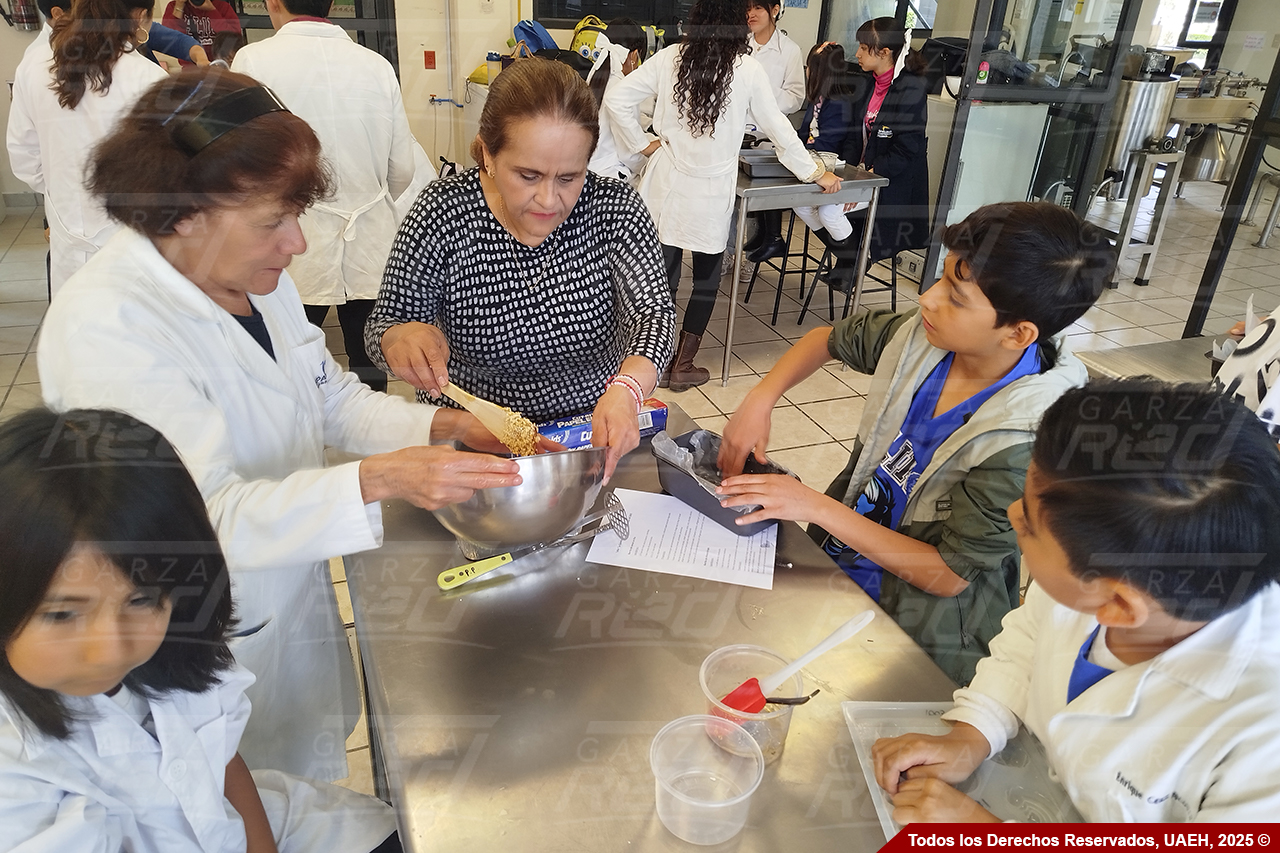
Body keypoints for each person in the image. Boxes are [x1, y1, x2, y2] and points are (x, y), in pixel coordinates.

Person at [38, 68, 526, 782]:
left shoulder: (252, 278)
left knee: (310, 772)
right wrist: (377, 479)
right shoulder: (108, 329)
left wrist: (446, 428)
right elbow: (200, 522)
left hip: (286, 605)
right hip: (204, 644)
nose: (297, 244)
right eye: (274, 221)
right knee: (244, 803)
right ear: (180, 213)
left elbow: (327, 396)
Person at [716, 202, 1116, 685]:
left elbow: (948, 575)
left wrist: (814, 507)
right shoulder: (926, 339)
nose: (928, 298)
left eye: (956, 295)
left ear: (1019, 333)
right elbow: (826, 338)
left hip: (923, 626)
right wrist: (761, 399)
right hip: (843, 562)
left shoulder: (1026, 439)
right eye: (941, 278)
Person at [872, 381, 1280, 822]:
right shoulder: (1102, 585)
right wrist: (973, 732)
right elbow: (1027, 645)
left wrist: (984, 831)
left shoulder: (1261, 736)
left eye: (1028, 523)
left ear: (1119, 607)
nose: (1012, 512)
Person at [0, 408, 401, 852]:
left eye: (141, 600)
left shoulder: (176, 651)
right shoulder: (13, 771)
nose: (108, 650)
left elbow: (224, 761)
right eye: (61, 615)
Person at [367, 58, 676, 481]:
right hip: (472, 435)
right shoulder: (442, 212)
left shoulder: (613, 208)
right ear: (489, 154)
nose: (549, 200)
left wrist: (627, 390)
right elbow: (384, 325)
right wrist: (400, 337)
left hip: (588, 434)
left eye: (569, 177)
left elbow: (653, 313)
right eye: (528, 176)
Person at [604, 0, 841, 393]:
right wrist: (815, 171)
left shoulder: (670, 58)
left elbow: (617, 100)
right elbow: (779, 129)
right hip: (710, 193)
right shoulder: (746, 69)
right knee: (706, 280)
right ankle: (682, 364)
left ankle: (646, 360)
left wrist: (643, 146)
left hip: (666, 184)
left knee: (660, 280)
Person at [233, 0, 433, 393]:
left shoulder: (252, 61)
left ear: (273, 2)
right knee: (367, 355)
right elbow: (402, 170)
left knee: (290, 348)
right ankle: (368, 443)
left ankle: (303, 435)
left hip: (291, 239)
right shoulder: (376, 66)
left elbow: (240, 164)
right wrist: (366, 197)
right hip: (370, 234)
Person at [6, 0, 167, 295]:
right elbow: (168, 174)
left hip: (68, 230)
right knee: (132, 327)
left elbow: (24, 159)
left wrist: (66, 191)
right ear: (140, 16)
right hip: (133, 234)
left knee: (76, 324)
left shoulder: (35, 65)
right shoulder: (150, 78)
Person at [824, 16, 930, 290]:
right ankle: (853, 258)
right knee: (805, 204)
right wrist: (844, 171)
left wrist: (867, 177)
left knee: (828, 211)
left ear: (884, 53)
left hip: (887, 182)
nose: (856, 53)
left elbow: (907, 149)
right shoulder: (867, 83)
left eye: (862, 47)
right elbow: (852, 135)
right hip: (860, 174)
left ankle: (856, 258)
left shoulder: (911, 89)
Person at [749, 41, 861, 264]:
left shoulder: (839, 104)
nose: (806, 71)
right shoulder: (819, 100)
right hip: (815, 160)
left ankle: (774, 237)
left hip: (829, 167)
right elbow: (804, 134)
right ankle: (767, 234)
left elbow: (826, 145)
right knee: (771, 164)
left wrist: (796, 153)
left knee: (775, 178)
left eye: (809, 66)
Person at [737, 0, 807, 269]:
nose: (751, 14)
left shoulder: (789, 50)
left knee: (759, 198)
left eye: (758, 8)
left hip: (767, 137)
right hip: (736, 132)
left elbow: (795, 97)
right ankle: (728, 253)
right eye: (748, 9)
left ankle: (749, 261)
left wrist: (763, 97)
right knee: (731, 200)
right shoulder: (740, 45)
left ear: (775, 10)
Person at [586, 18, 649, 183]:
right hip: (608, 174)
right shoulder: (623, 88)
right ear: (633, 55)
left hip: (587, 167)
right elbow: (629, 154)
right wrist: (648, 165)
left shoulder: (596, 72)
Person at [161, 0, 242, 63]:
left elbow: (234, 37)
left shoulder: (222, 6)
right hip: (191, 67)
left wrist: (212, 11)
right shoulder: (173, 7)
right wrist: (179, 6)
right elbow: (169, 39)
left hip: (221, 64)